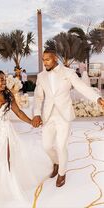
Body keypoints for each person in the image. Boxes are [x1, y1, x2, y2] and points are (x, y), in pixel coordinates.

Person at [0, 70, 51, 208]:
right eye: (1, 79)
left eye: (4, 79)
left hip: (6, 131)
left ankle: (7, 185)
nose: (4, 82)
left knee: (6, 157)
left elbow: (18, 112)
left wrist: (31, 121)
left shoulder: (8, 95)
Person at [32, 49, 104, 187]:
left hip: (63, 115)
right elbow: (38, 96)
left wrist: (98, 99)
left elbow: (82, 87)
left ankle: (62, 173)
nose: (44, 62)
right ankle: (56, 163)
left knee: (61, 145)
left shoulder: (68, 73)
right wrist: (36, 113)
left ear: (55, 59)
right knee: (46, 146)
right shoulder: (41, 76)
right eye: (43, 59)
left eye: (47, 59)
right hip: (48, 115)